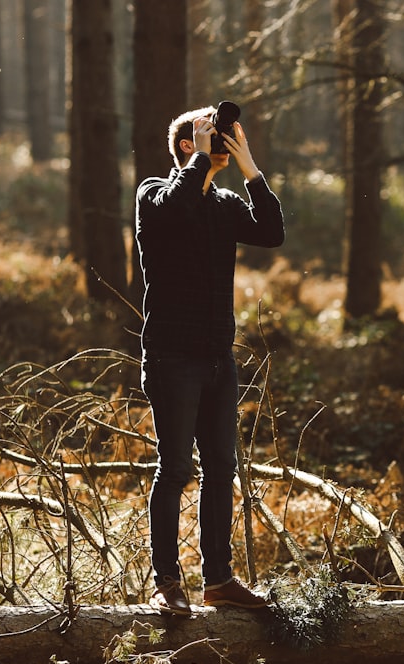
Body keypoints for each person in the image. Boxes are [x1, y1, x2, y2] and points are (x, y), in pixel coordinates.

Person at [135, 105, 284, 614]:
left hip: (219, 359)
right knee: (175, 468)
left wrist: (250, 171)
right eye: (208, 137)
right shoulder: (154, 195)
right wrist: (200, 159)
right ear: (186, 146)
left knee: (221, 469)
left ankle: (218, 581)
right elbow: (177, 209)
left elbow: (271, 232)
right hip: (172, 358)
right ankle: (167, 584)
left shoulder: (224, 204)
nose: (217, 142)